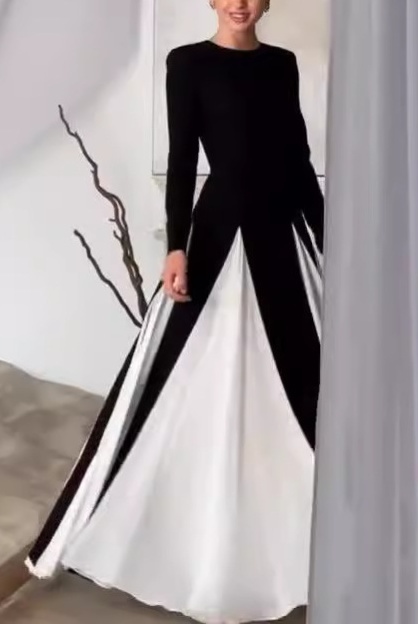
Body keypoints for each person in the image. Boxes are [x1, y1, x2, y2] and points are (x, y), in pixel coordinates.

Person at [25, 1, 324, 622]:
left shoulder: (282, 64)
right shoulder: (188, 63)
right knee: (178, 378)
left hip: (281, 230)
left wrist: (329, 242)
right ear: (212, 1)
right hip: (215, 234)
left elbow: (297, 157)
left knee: (305, 378)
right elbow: (184, 158)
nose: (240, 3)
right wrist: (178, 247)